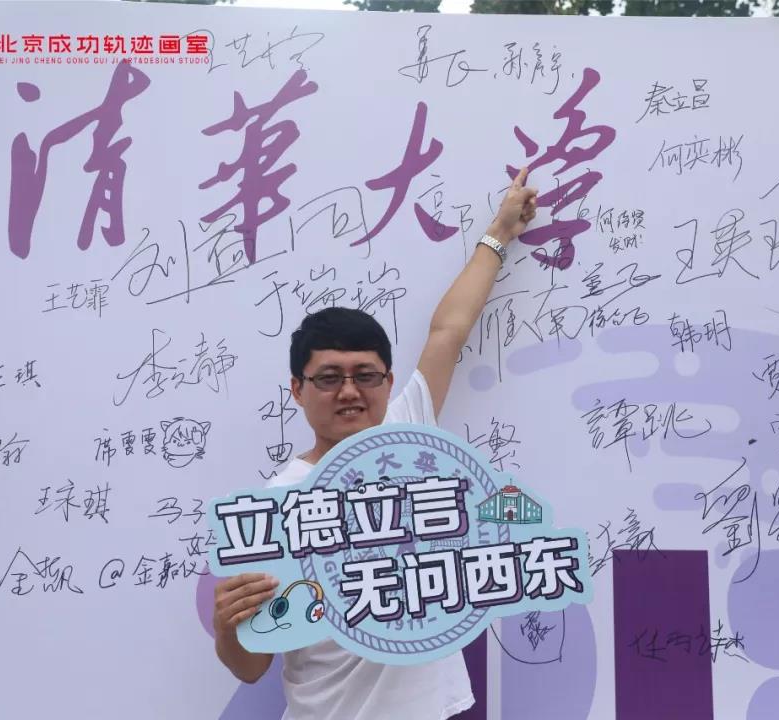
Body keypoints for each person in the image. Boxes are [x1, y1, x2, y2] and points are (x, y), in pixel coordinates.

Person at [212, 168, 539, 719]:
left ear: (388, 383)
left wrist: (500, 233)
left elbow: (448, 331)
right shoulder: (275, 505)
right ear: (297, 389)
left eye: (365, 375)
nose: (349, 392)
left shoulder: (407, 433)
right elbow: (251, 666)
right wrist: (228, 629)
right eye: (328, 378)